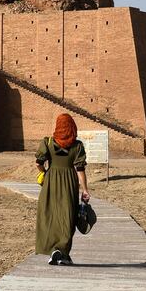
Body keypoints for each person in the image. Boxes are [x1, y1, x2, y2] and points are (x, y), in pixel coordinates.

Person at [35, 113, 90, 266]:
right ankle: (62, 251)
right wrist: (85, 190)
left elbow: (39, 162)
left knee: (50, 216)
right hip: (69, 183)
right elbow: (80, 169)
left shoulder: (48, 142)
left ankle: (55, 250)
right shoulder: (77, 145)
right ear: (72, 127)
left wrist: (44, 173)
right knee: (68, 216)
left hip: (51, 182)